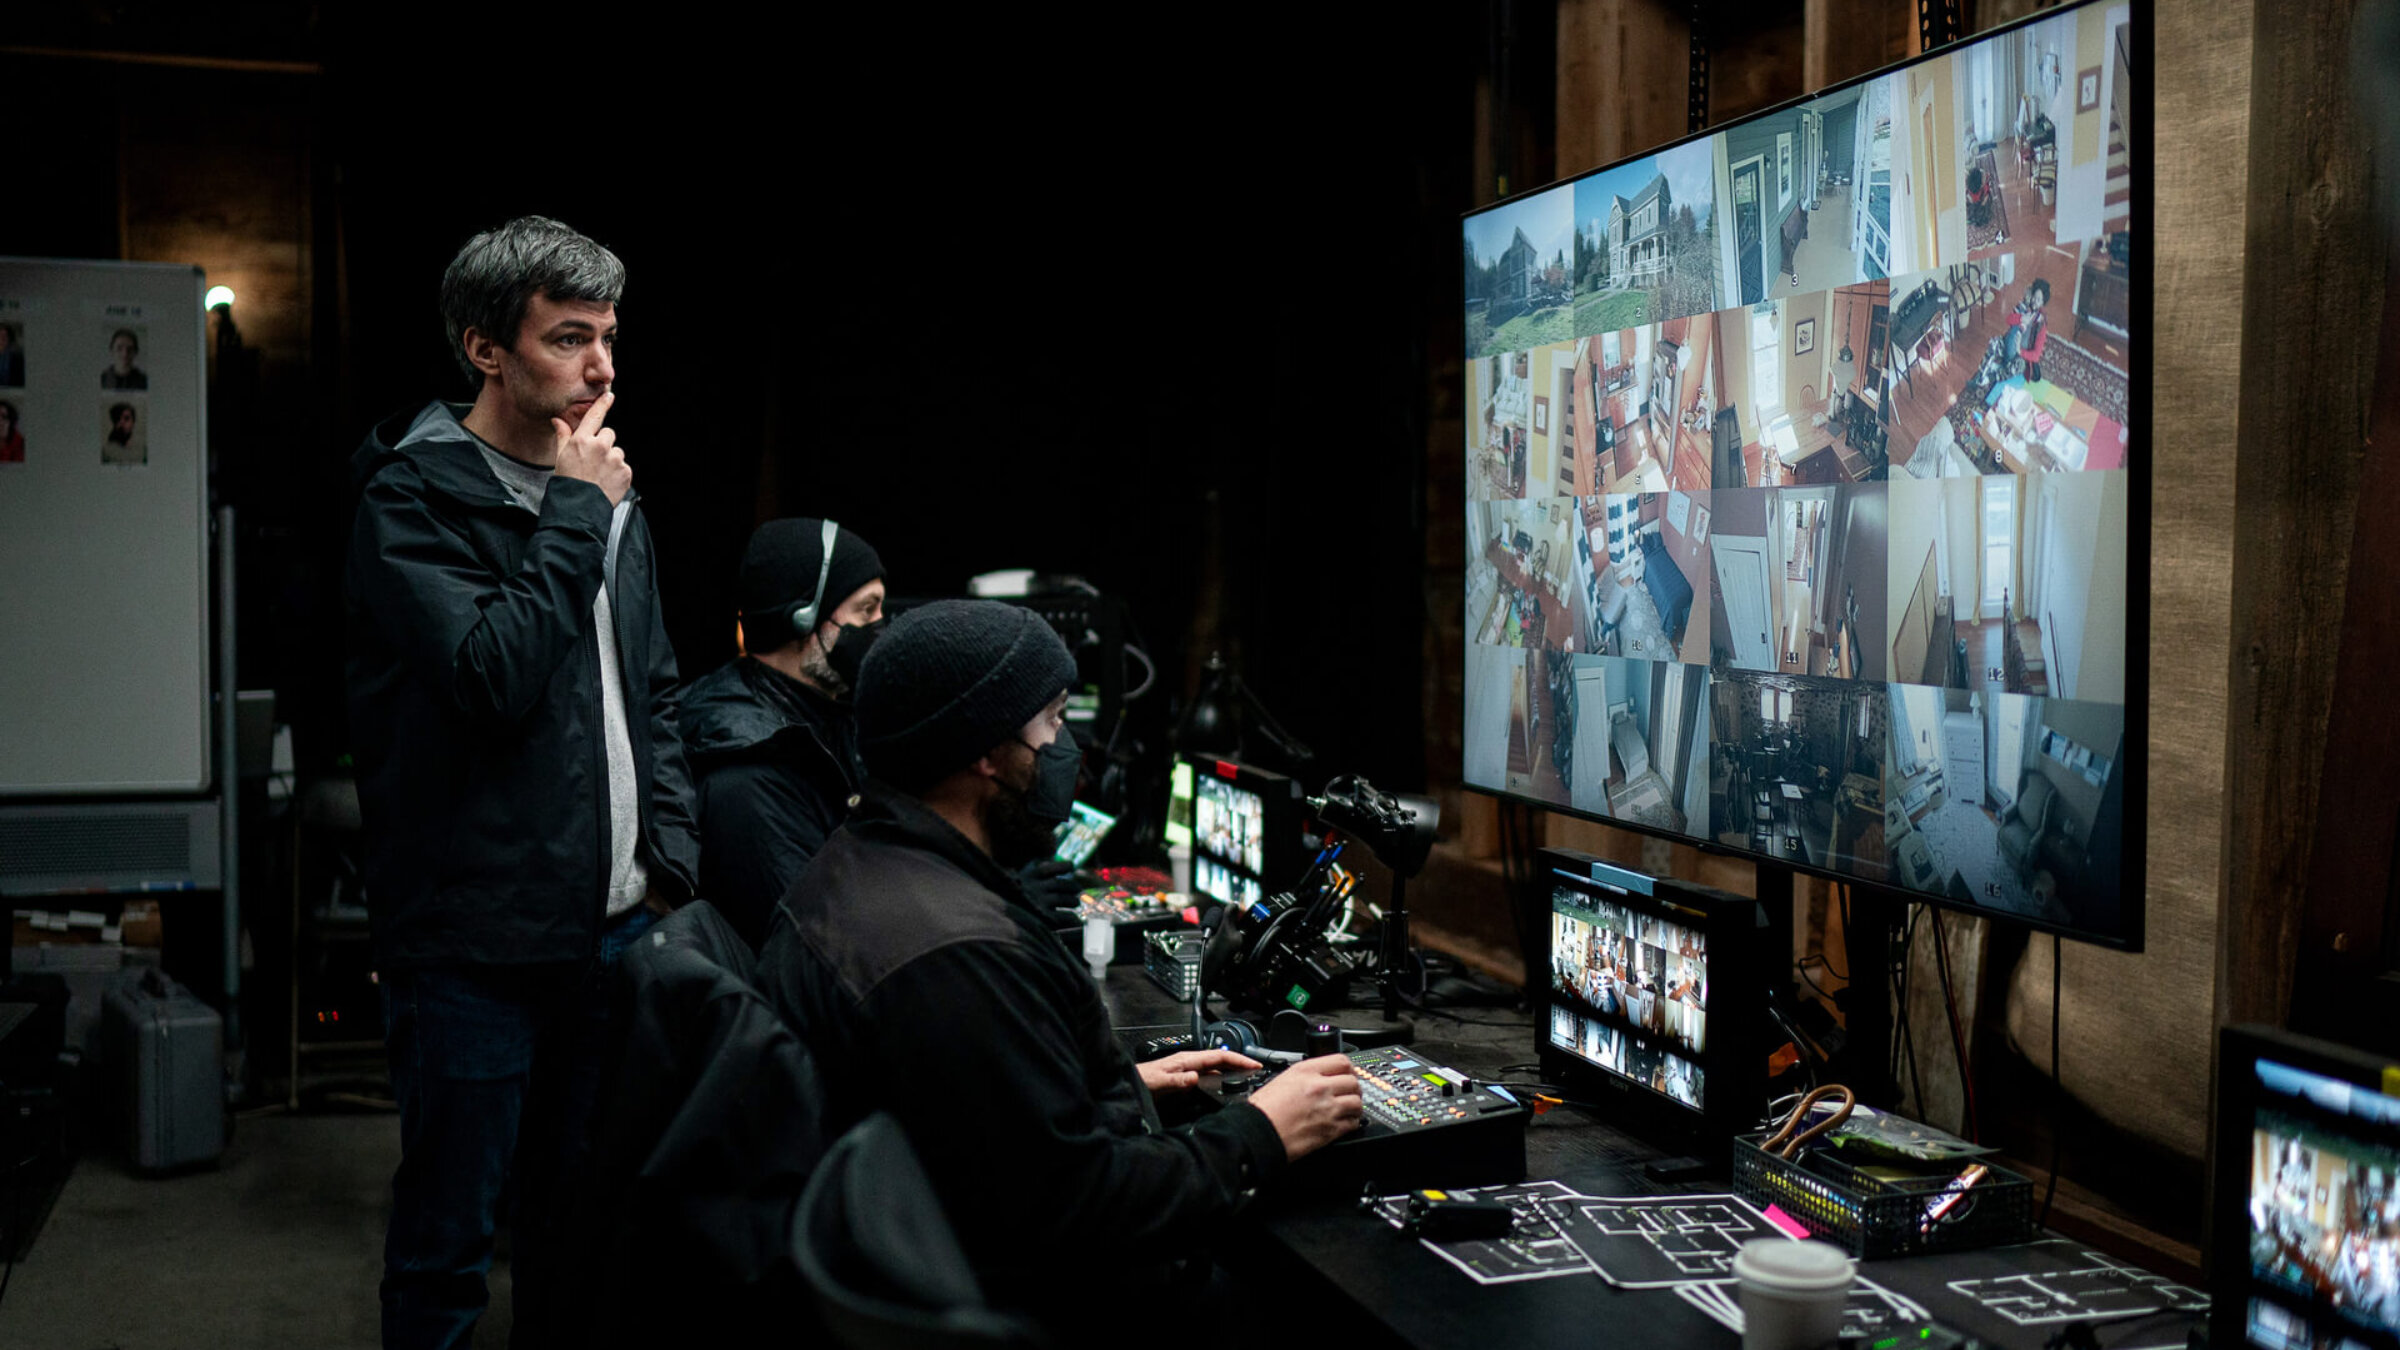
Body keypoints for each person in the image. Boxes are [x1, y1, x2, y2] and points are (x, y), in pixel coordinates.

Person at [757, 600, 1362, 1340]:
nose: (1066, 746)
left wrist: (1115, 1091)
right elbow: (1078, 1208)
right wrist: (1261, 1132)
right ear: (986, 751)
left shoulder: (858, 868)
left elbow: (974, 1124)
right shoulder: (956, 960)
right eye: (1051, 721)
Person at [344, 215, 701, 1349]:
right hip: (473, 946)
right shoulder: (413, 500)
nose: (600, 368)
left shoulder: (610, 495)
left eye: (607, 337)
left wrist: (669, 868)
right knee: (450, 1246)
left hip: (609, 933)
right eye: (567, 338)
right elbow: (492, 683)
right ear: (485, 349)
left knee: (578, 1229)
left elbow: (653, 691)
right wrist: (578, 515)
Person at [678, 517, 885, 952]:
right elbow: (819, 942)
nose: (880, 627)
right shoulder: (747, 773)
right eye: (867, 610)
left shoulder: (834, 718)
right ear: (802, 617)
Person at [2012, 278, 2052, 384]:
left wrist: (2019, 351)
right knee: (1994, 347)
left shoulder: (2041, 325)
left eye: (2038, 299)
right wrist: (2020, 318)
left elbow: (2036, 355)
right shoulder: (2025, 308)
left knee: (2009, 368)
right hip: (2013, 341)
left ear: (2042, 303)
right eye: (2034, 296)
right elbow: (2009, 319)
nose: (2034, 300)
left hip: (2022, 353)